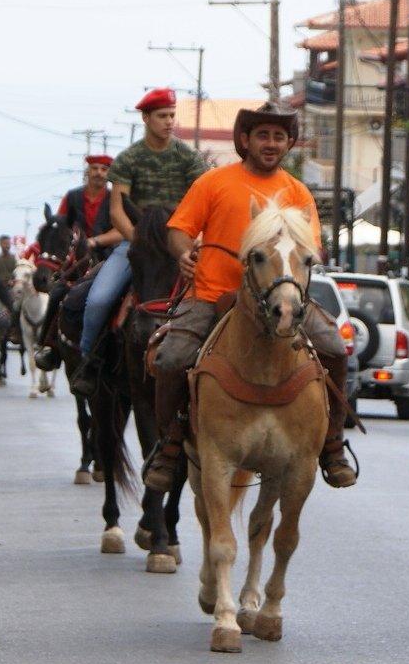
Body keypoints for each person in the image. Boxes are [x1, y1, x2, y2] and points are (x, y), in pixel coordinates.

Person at [141, 102, 358, 493]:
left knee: (334, 347)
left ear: (288, 143)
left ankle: (332, 445)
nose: (271, 143)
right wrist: (183, 252)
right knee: (171, 357)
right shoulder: (213, 182)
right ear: (245, 140)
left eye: (278, 136)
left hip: (281, 297)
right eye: (263, 135)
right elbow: (180, 229)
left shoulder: (297, 193)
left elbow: (310, 249)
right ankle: (169, 444)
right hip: (211, 293)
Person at [69, 87, 208, 396]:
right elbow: (117, 208)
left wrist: (189, 243)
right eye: (162, 116)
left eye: (172, 115)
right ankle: (89, 360)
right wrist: (142, 242)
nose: (169, 122)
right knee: (99, 299)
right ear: (146, 118)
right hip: (137, 245)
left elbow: (202, 201)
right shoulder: (129, 159)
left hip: (181, 246)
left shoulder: (189, 158)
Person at [33, 154, 117, 369]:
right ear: (87, 171)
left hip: (106, 256)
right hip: (75, 259)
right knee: (58, 292)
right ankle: (48, 345)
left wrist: (94, 241)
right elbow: (60, 224)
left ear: (108, 174)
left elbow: (122, 231)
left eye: (103, 169)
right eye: (95, 168)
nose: (99, 173)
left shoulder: (114, 198)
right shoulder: (72, 197)